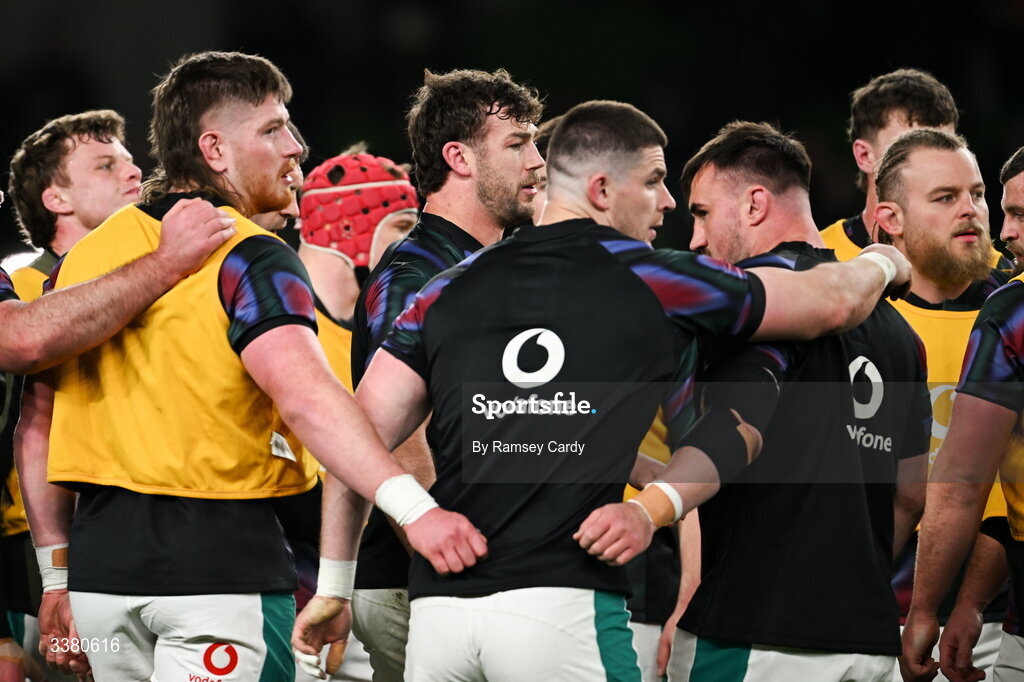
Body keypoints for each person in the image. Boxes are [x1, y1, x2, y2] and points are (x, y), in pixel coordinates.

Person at [296, 99, 913, 681]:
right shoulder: (652, 276)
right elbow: (831, 303)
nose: (667, 202)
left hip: (442, 618)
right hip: (560, 606)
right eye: (653, 181)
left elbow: (355, 437)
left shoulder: (448, 285)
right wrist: (883, 260)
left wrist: (337, 582)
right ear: (601, 191)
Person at [15, 50, 484, 682]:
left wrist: (56, 576)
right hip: (216, 578)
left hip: (100, 590)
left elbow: (36, 424)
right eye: (272, 129)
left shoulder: (87, 259)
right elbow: (309, 400)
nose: (296, 146)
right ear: (214, 149)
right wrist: (415, 509)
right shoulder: (251, 254)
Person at [601, 120, 929, 681]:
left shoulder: (747, 306)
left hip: (755, 632)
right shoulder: (901, 333)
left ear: (755, 204)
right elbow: (910, 494)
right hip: (870, 642)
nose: (697, 239)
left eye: (702, 213)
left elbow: (726, 446)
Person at [292, 66, 544, 682]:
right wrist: (455, 575)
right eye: (517, 144)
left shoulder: (481, 262)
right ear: (458, 157)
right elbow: (400, 437)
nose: (537, 162)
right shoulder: (417, 273)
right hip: (424, 581)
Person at [2, 110, 146, 681]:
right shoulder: (18, 295)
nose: (133, 172)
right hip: (31, 560)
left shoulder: (157, 274)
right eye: (106, 165)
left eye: (131, 158)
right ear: (55, 198)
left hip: (140, 545)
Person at [872, 127, 1012, 680]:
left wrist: (965, 605)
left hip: (991, 616)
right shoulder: (851, 318)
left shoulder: (1013, 315)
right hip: (865, 602)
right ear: (891, 219)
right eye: (945, 198)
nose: (971, 211)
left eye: (977, 194)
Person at [820, 68, 959, 260]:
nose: (933, 169)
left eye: (945, 148)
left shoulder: (994, 273)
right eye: (906, 149)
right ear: (865, 156)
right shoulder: (812, 263)